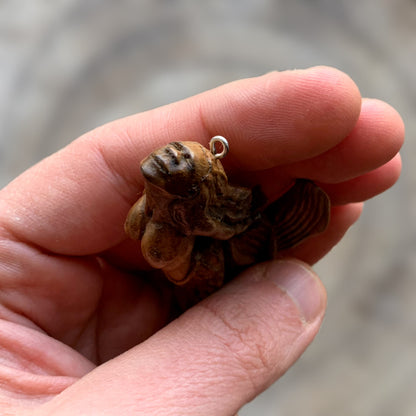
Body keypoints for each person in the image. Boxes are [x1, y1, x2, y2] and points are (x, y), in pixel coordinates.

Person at [0, 66, 404, 415]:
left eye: (179, 159)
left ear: (189, 196)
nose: (170, 154)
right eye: (173, 153)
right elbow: (138, 230)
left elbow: (171, 245)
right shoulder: (154, 213)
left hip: (201, 270)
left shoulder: (173, 228)